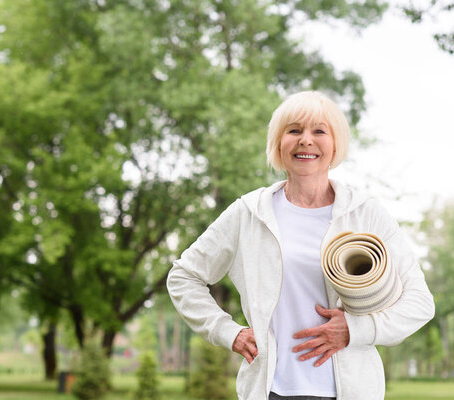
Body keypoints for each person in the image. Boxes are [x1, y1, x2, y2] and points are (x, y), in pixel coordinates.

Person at [166, 91, 435, 400]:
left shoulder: (365, 213)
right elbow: (183, 277)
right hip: (270, 390)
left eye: (319, 131)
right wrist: (229, 333)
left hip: (350, 392)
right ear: (279, 143)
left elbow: (419, 303)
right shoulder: (250, 212)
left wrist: (356, 330)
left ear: (335, 144)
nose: (306, 140)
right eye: (294, 130)